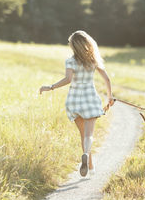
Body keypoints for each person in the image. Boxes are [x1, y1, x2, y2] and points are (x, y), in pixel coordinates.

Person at [39, 30, 114, 177]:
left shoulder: (70, 61)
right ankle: (86, 155)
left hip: (74, 100)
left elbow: (68, 79)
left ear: (73, 46)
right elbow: (107, 79)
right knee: (89, 135)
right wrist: (110, 96)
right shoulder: (93, 60)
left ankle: (90, 167)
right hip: (90, 99)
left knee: (82, 135)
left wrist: (51, 87)